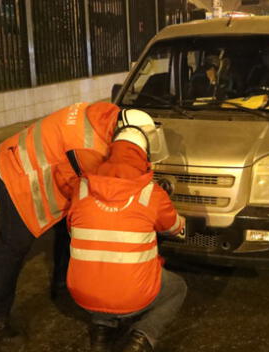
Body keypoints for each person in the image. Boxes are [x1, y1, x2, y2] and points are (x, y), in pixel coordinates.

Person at [0, 102, 144, 343]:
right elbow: (105, 196)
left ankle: (62, 285)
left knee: (69, 227)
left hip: (36, 161)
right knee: (13, 246)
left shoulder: (107, 115)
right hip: (16, 173)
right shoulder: (90, 148)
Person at [67, 111, 186, 352]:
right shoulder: (150, 193)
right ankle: (140, 338)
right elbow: (175, 228)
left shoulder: (81, 186)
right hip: (132, 297)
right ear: (145, 152)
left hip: (82, 295)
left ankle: (101, 333)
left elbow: (74, 230)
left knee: (101, 263)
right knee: (177, 288)